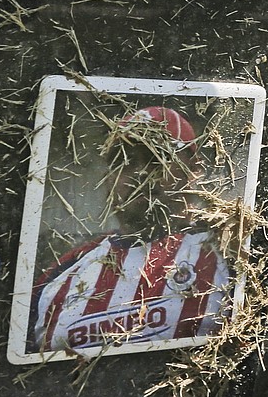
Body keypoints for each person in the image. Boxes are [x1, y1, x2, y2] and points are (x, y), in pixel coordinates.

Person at [28, 106, 231, 355]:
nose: (141, 174)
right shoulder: (60, 275)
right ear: (108, 178)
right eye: (125, 161)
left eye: (158, 159)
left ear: (194, 172)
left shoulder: (228, 254)